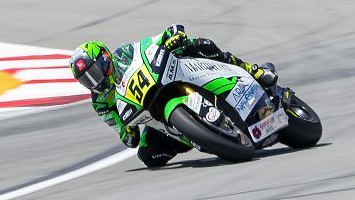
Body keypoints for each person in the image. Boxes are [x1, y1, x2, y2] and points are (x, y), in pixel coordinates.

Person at [70, 25, 277, 168]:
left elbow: (151, 43)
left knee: (200, 44)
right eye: (86, 80)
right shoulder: (100, 103)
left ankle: (254, 71)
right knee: (148, 156)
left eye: (94, 73)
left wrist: (171, 35)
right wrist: (128, 132)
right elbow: (124, 134)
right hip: (153, 114)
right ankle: (195, 135)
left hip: (172, 77)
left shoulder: (125, 54)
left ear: (105, 59)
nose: (93, 82)